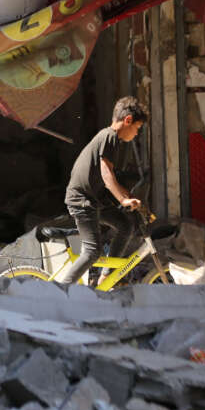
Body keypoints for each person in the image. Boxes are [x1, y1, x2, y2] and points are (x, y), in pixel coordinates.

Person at [53, 96, 148, 284]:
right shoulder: (109, 136)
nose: (136, 134)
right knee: (92, 251)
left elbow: (109, 179)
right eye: (137, 128)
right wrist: (122, 200)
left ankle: (106, 278)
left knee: (125, 226)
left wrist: (127, 196)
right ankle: (60, 290)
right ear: (128, 120)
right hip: (82, 201)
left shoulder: (112, 139)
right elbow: (107, 174)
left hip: (95, 200)